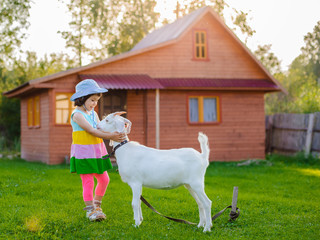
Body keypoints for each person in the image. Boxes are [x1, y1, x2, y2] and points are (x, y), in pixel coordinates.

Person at [69, 79, 126, 222]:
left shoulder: (93, 113)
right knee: (88, 182)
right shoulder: (77, 115)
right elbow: (92, 131)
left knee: (104, 179)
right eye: (92, 100)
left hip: (97, 151)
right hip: (84, 153)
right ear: (81, 98)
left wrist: (115, 124)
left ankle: (97, 206)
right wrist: (111, 136)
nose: (95, 103)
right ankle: (90, 211)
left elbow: (100, 127)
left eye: (96, 101)